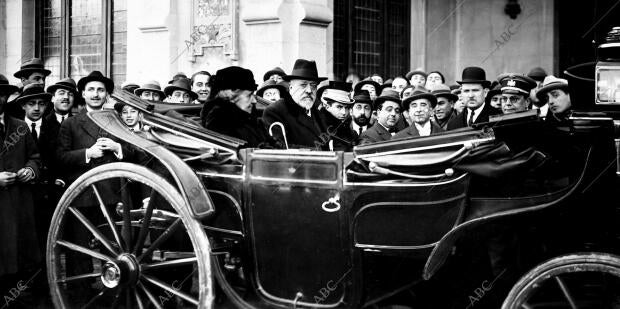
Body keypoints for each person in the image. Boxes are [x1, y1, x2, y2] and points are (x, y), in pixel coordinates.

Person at [0, 73, 41, 283]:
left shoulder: (20, 127)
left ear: (6, 98)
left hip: (19, 205)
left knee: (19, 266)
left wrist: (30, 170)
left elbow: (35, 157)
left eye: (1, 94)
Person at [262, 59, 329, 149]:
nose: (309, 90)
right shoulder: (275, 111)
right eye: (303, 85)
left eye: (313, 85)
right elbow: (279, 148)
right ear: (291, 87)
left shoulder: (320, 112)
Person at [203, 66, 275, 148]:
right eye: (249, 95)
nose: (254, 101)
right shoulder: (219, 123)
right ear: (230, 95)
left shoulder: (252, 119)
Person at [319, 87, 356, 151]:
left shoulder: (351, 133)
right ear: (327, 106)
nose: (344, 112)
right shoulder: (318, 129)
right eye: (339, 107)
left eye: (346, 107)